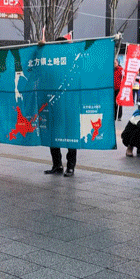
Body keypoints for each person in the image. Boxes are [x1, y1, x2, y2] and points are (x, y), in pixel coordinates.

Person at [42, 37, 78, 177]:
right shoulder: (52, 63)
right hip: (54, 105)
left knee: (71, 136)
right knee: (53, 135)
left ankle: (70, 166)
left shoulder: (72, 61)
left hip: (70, 105)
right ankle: (57, 165)